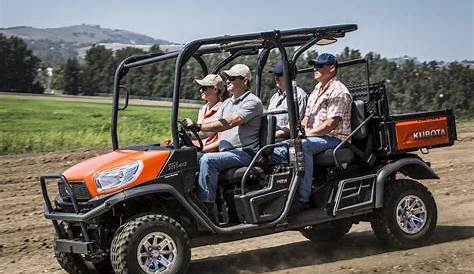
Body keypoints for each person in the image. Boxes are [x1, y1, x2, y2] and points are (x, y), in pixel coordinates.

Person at [273, 53, 352, 210]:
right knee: (277, 149)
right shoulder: (316, 90)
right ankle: (285, 191)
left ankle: (303, 198)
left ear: (331, 68)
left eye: (319, 66)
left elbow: (331, 124)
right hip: (317, 137)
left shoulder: (338, 91)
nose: (314, 68)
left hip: (335, 138)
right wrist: (299, 132)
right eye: (314, 65)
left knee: (302, 146)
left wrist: (306, 135)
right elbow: (306, 118)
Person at [183, 64, 263, 215]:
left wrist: (199, 125)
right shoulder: (227, 103)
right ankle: (189, 202)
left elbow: (230, 122)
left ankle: (207, 209)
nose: (227, 81)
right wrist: (187, 134)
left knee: (208, 160)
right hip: (228, 153)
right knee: (191, 157)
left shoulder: (252, 102)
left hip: (244, 153)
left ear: (245, 81)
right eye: (227, 78)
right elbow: (208, 132)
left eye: (232, 78)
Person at [267, 62, 308, 139]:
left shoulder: (298, 95)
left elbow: (295, 127)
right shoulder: (274, 97)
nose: (276, 78)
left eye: (280, 75)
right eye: (275, 75)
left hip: (287, 140)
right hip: (271, 139)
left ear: (289, 76)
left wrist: (271, 136)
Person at [192, 74, 224, 153]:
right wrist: (188, 135)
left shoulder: (223, 109)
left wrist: (201, 150)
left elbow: (221, 140)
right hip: (197, 146)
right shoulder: (202, 109)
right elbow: (202, 133)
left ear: (215, 90)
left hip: (208, 151)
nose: (200, 91)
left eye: (204, 88)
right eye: (200, 88)